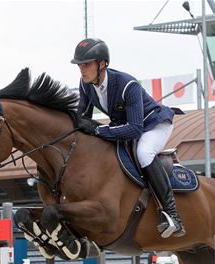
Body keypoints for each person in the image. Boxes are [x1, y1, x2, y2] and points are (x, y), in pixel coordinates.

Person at [71, 37, 185, 238]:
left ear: (102, 63)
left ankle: (171, 213)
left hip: (154, 124)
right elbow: (82, 118)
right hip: (126, 126)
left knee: (144, 152)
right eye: (80, 65)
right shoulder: (86, 84)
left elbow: (134, 129)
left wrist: (99, 131)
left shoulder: (127, 84)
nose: (82, 69)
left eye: (86, 64)